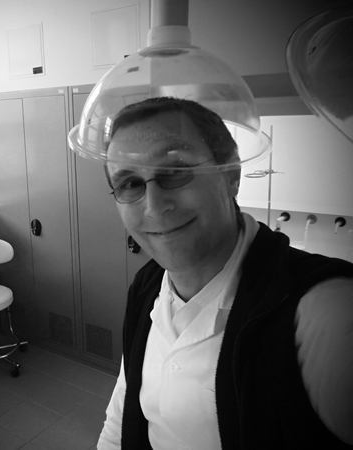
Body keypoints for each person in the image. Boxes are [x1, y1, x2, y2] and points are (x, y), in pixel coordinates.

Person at [96, 97, 353, 449]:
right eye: (129, 183)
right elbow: (122, 412)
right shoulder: (146, 286)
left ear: (231, 175)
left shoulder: (322, 310)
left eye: (176, 170)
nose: (154, 207)